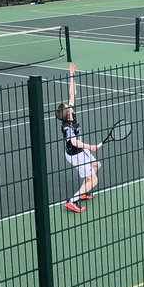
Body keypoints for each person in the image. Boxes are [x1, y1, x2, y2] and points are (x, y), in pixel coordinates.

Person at [55, 63, 100, 213]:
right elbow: (74, 142)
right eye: (68, 106)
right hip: (75, 154)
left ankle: (84, 191)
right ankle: (72, 201)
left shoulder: (71, 113)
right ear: (67, 113)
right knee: (94, 180)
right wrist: (91, 146)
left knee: (96, 165)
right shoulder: (68, 126)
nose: (70, 105)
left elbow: (72, 94)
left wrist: (71, 75)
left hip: (80, 151)